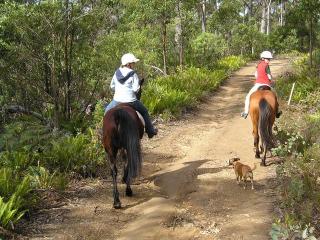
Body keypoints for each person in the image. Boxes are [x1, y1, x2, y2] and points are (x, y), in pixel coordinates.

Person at [105, 53, 158, 138]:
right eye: (133, 63)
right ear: (129, 64)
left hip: (117, 101)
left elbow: (112, 86)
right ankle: (150, 130)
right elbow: (136, 89)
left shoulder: (116, 73)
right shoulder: (133, 74)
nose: (134, 64)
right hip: (131, 101)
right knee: (144, 111)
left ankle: (104, 132)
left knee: (107, 111)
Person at [241, 50, 282, 119]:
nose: (268, 60)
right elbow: (269, 76)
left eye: (269, 59)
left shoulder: (258, 65)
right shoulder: (267, 66)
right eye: (267, 59)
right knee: (275, 96)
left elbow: (256, 75)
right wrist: (271, 79)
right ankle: (277, 112)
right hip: (266, 84)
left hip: (258, 84)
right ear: (263, 58)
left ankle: (245, 112)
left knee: (248, 97)